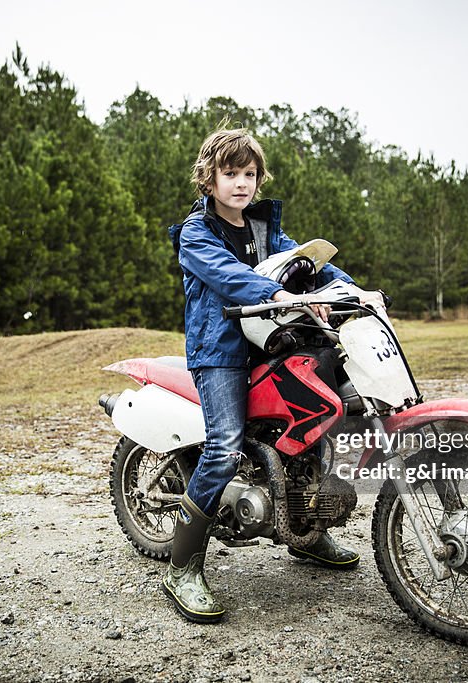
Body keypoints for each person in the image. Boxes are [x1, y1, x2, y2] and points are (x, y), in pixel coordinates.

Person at [164, 122, 382, 623]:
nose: (241, 183)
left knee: (311, 426)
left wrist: (355, 290)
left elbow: (306, 263)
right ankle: (181, 566)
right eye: (230, 173)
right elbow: (229, 275)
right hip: (220, 351)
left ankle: (304, 533)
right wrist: (278, 296)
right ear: (209, 178)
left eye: (249, 173)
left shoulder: (265, 229)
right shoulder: (196, 233)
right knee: (223, 445)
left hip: (271, 344)